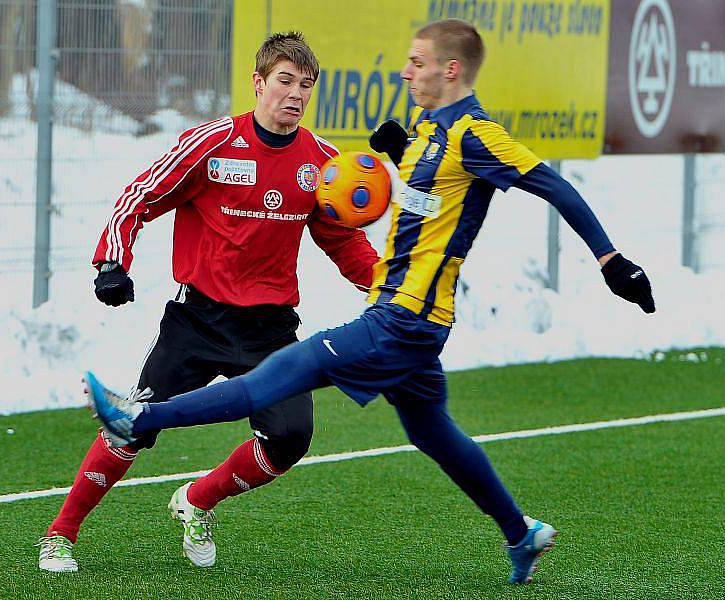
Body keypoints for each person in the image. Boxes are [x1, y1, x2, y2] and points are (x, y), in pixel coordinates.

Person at [86, 18, 656, 584]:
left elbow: (552, 185)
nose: (406, 70)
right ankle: (520, 533)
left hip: (402, 318)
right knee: (432, 433)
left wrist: (611, 260)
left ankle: (141, 416)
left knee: (279, 375)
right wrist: (403, 155)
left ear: (449, 69)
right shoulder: (429, 130)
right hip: (406, 315)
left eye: (417, 62)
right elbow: (428, 212)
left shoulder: (477, 135)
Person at [36, 32, 379, 573]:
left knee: (290, 438)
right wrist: (111, 262)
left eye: (306, 85)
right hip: (196, 320)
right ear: (258, 82)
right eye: (285, 81)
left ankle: (197, 502)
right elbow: (141, 195)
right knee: (130, 424)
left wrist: (385, 288)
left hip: (268, 331)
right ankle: (60, 535)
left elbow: (343, 240)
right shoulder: (212, 143)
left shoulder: (322, 163)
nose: (295, 95)